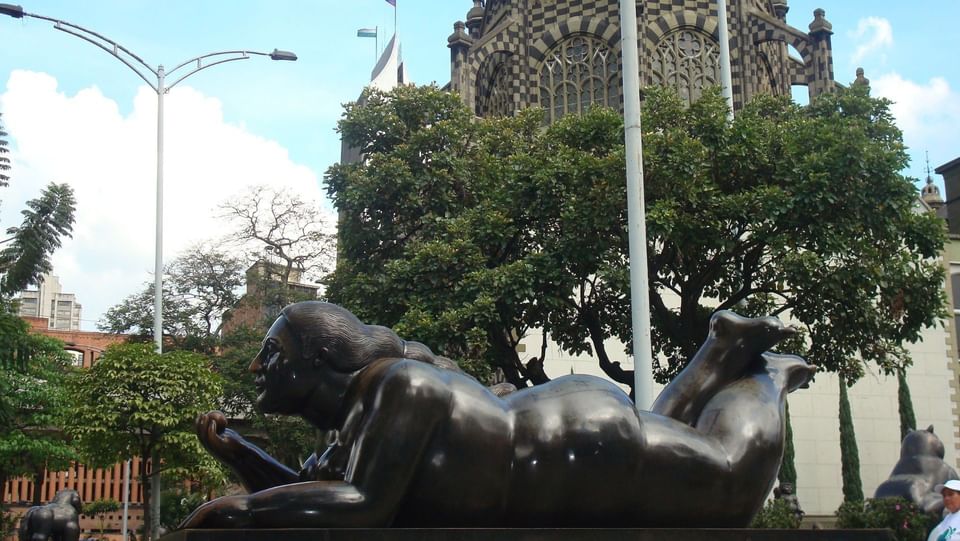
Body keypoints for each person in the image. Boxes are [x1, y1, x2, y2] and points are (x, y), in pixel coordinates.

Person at [182, 301, 816, 529]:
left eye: (270, 354)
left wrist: (240, 511)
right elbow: (318, 500)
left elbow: (363, 506)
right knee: (666, 441)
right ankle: (724, 346)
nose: (255, 368)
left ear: (317, 358)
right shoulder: (353, 424)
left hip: (580, 443)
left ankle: (766, 376)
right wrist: (240, 457)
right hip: (571, 448)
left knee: (729, 484)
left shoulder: (399, 387)